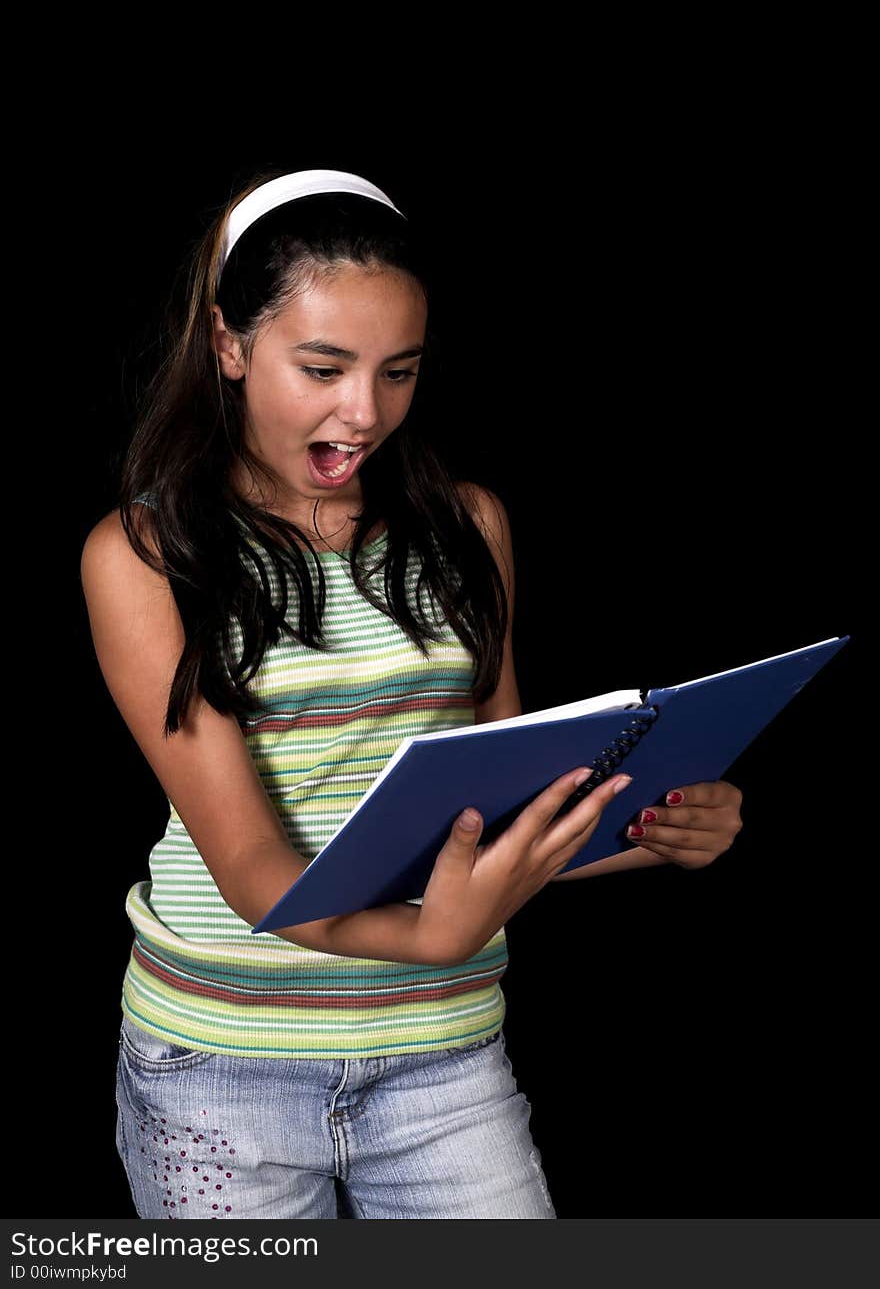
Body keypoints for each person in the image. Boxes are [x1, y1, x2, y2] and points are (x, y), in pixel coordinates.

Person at [80, 167, 744, 1220]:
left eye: (399, 372)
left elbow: (508, 809)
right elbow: (255, 871)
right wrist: (430, 931)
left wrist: (651, 828)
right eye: (322, 367)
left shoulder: (468, 525)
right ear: (229, 345)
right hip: (221, 1066)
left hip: (440, 1053)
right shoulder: (142, 555)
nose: (364, 412)